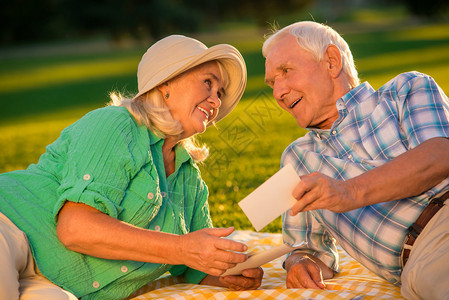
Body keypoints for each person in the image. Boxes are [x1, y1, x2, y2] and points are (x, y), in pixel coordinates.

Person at [0, 35, 263, 300]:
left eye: (220, 93)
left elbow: (194, 265)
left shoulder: (189, 178)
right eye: (208, 83)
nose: (216, 101)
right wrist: (182, 248)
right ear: (166, 82)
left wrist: (234, 271)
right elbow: (75, 228)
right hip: (10, 227)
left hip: (54, 282)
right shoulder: (118, 126)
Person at [263, 21, 449, 300]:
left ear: (331, 61)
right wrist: (299, 263)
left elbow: (440, 155)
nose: (278, 92)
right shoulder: (297, 159)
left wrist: (348, 191)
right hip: (418, 265)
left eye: (286, 71)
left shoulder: (406, 89)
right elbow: (307, 248)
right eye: (272, 83)